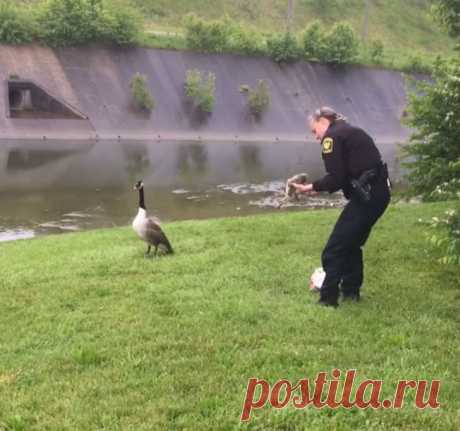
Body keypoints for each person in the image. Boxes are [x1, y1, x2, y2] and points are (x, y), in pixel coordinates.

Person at [292, 107, 391, 308]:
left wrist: (310, 187)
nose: (316, 137)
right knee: (351, 244)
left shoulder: (332, 137)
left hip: (367, 197)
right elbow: (344, 175)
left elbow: (336, 178)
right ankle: (351, 292)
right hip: (378, 194)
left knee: (334, 248)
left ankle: (328, 300)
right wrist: (316, 188)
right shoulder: (348, 131)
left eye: (314, 131)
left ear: (323, 121)